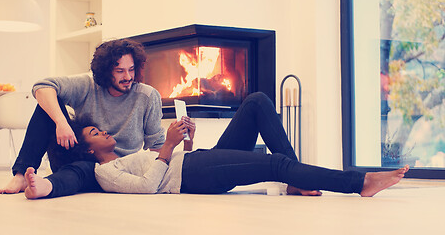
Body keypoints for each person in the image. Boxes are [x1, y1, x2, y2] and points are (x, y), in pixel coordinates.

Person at [23, 92, 409, 199]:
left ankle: (295, 178)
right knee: (273, 163)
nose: (105, 133)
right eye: (95, 135)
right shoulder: (105, 172)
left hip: (196, 162)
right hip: (195, 176)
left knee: (256, 101)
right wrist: (166, 149)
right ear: (88, 150)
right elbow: (148, 188)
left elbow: (169, 167)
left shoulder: (122, 157)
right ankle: (359, 182)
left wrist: (186, 142)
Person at [0, 39, 165, 198]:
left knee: (82, 171)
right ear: (106, 72)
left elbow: (156, 147)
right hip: (80, 155)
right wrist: (61, 123)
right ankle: (21, 175)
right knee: (46, 105)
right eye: (120, 71)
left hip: (116, 170)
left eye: (131, 69)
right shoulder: (88, 85)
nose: (128, 77)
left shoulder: (147, 96)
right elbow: (42, 87)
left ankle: (46, 186)